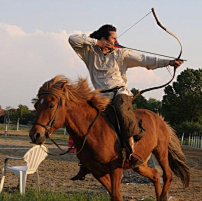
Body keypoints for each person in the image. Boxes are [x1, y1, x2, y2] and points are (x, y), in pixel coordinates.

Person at [68, 24, 183, 180]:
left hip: (119, 93)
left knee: (121, 111)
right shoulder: (89, 52)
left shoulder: (121, 54)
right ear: (103, 38)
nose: (116, 40)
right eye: (113, 38)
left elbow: (144, 59)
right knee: (84, 119)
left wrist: (168, 62)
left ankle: (131, 152)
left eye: (116, 38)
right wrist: (97, 44)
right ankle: (86, 163)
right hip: (100, 96)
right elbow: (72, 39)